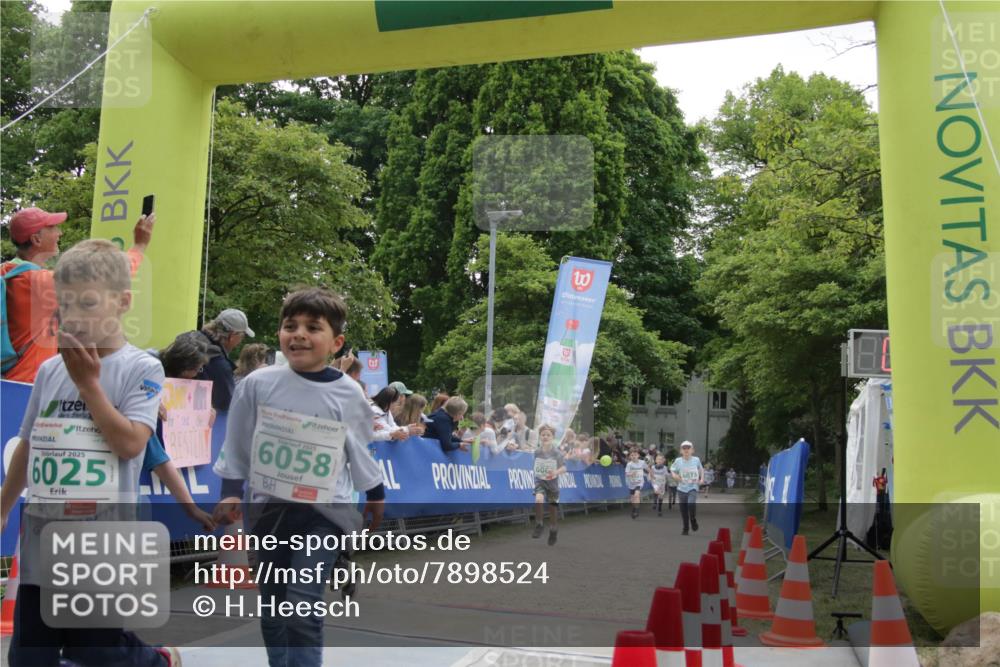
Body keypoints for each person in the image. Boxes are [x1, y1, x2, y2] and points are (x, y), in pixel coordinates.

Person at [0, 239, 181, 667]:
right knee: (29, 657)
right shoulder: (49, 369)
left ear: (123, 302)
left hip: (102, 542)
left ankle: (156, 661)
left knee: (95, 649)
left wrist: (89, 386)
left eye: (87, 303)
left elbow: (131, 444)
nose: (74, 317)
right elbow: (29, 441)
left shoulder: (142, 367)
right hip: (43, 537)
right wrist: (4, 506)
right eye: (64, 305)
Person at [211, 287, 384, 667]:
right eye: (291, 326)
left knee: (302, 602)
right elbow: (237, 441)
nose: (299, 334)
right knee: (274, 607)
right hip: (268, 511)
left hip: (325, 512)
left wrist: (376, 494)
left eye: (313, 327)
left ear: (336, 343)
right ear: (279, 334)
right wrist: (230, 492)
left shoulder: (349, 393)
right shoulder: (257, 384)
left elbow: (359, 448)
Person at [2, 207, 155, 383]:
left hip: (6, 380)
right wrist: (139, 246)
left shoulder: (6, 272)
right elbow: (111, 275)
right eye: (52, 228)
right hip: (26, 383)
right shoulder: (39, 281)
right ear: (36, 239)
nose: (59, 233)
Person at [146, 337, 217, 532]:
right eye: (196, 369)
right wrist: (148, 401)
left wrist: (206, 410)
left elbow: (193, 398)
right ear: (183, 364)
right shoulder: (148, 365)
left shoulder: (186, 378)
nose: (197, 374)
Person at [182, 308, 255, 411]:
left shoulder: (186, 340)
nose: (240, 341)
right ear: (232, 336)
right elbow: (228, 406)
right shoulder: (219, 364)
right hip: (197, 418)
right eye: (242, 336)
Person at [530, 424, 565, 546]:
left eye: (548, 435)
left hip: (552, 484)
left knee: (552, 510)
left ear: (552, 437)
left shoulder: (557, 453)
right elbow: (536, 465)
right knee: (538, 499)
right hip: (540, 481)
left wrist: (555, 472)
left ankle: (553, 530)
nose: (545, 437)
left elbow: (564, 468)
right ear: (540, 437)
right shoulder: (537, 452)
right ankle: (539, 524)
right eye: (543, 435)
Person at [671, 441, 705, 535]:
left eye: (688, 448)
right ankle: (685, 528)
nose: (686, 450)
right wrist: (675, 476)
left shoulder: (696, 460)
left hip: (693, 486)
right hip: (681, 488)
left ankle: (693, 519)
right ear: (681, 451)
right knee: (683, 510)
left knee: (691, 504)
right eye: (684, 448)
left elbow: (701, 469)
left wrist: (702, 479)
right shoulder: (678, 461)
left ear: (692, 450)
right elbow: (672, 470)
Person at [625, 448, 648, 519]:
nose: (633, 456)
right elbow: (626, 473)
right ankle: (634, 509)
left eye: (635, 455)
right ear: (629, 457)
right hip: (631, 483)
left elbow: (648, 469)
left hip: (639, 482)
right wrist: (631, 473)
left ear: (638, 455)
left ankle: (637, 511)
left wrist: (651, 474)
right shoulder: (629, 464)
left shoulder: (642, 462)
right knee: (632, 499)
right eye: (632, 455)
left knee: (637, 494)